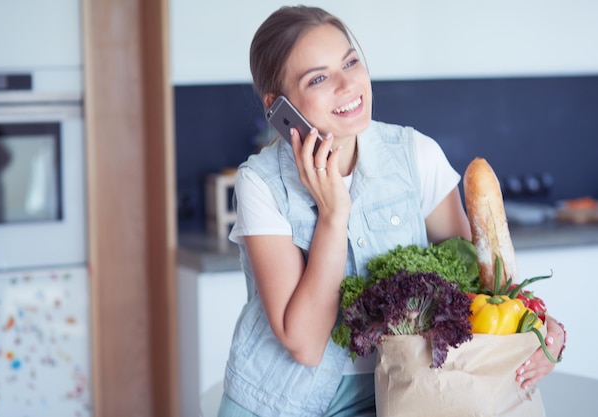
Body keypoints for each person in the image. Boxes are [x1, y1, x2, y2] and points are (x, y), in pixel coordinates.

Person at [219, 5, 565, 416]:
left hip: (402, 392)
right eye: (318, 78)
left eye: (350, 61)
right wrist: (333, 215)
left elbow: (476, 286)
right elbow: (306, 345)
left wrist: (540, 327)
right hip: (279, 402)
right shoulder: (260, 183)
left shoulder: (414, 156)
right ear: (280, 107)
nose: (348, 84)